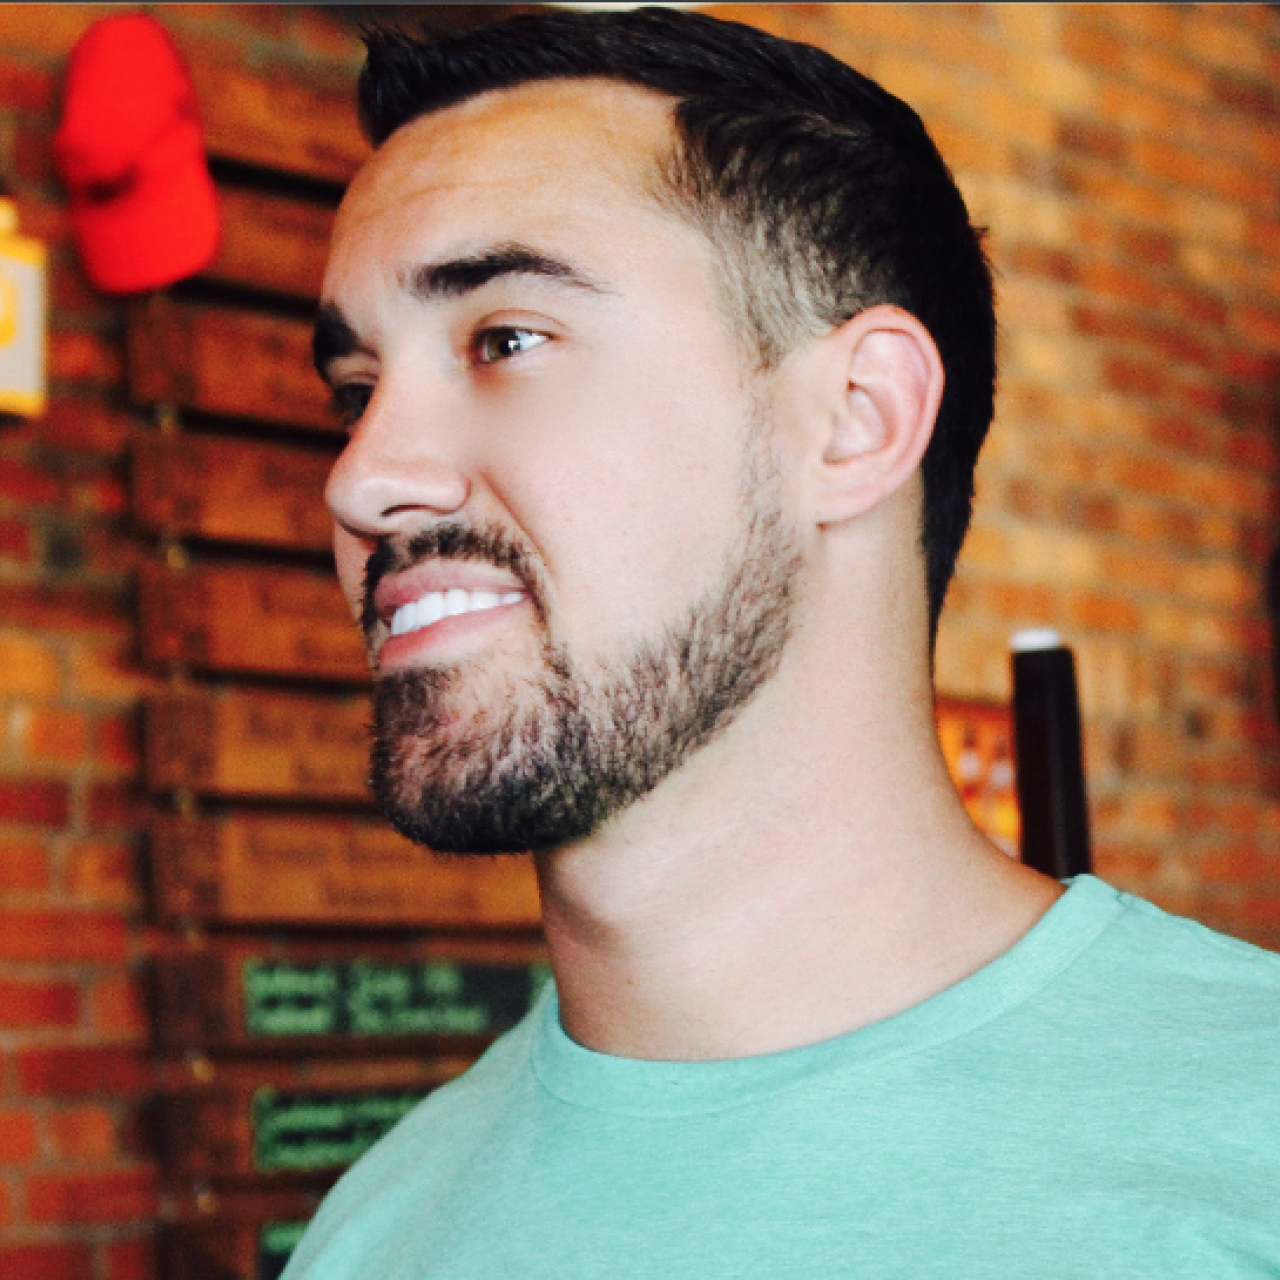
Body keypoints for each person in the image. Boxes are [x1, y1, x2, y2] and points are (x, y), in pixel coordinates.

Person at [289, 8, 1280, 1276]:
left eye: (506, 340)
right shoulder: (374, 1234)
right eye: (356, 393)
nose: (363, 478)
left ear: (854, 421)